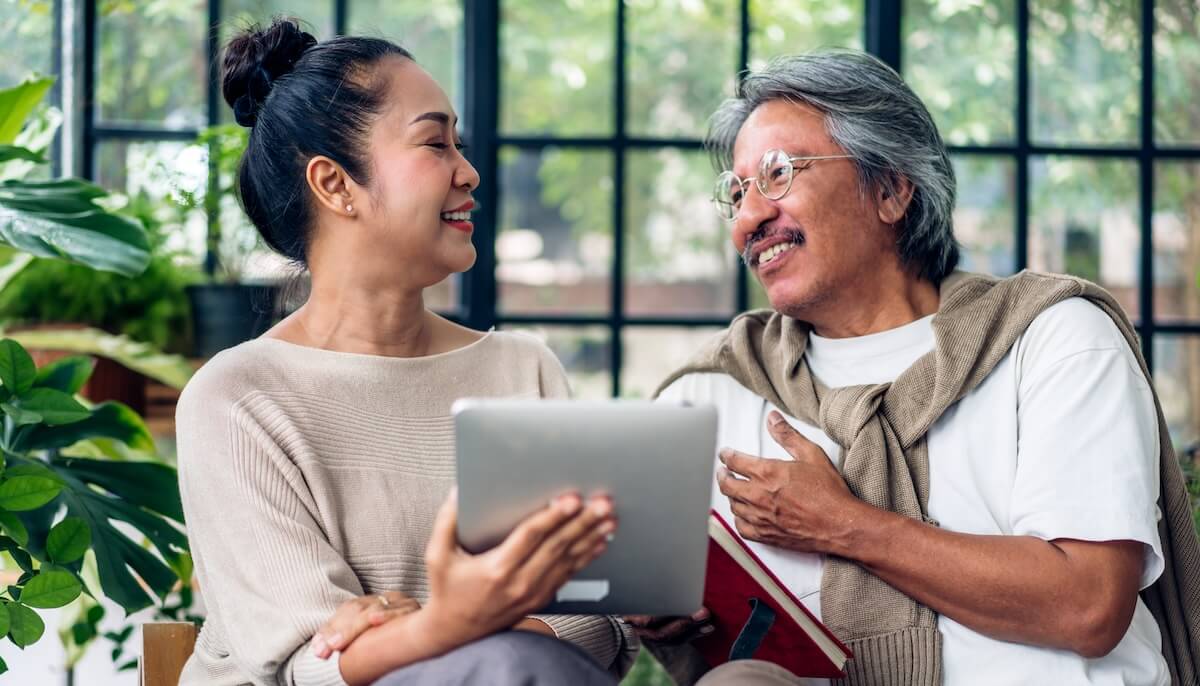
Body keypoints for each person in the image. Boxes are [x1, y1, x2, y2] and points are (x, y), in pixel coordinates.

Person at [631, 50, 1200, 685]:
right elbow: (633, 599)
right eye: (736, 194)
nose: (748, 218)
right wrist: (660, 611)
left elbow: (1090, 606)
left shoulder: (1052, 338)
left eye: (778, 174)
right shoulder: (712, 391)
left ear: (892, 190)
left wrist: (844, 524)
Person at [175, 18, 637, 686]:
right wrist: (459, 623)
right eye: (434, 143)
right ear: (335, 185)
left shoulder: (520, 367)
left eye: (461, 143)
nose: (469, 172)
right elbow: (314, 666)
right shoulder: (238, 398)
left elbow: (595, 622)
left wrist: (434, 625)